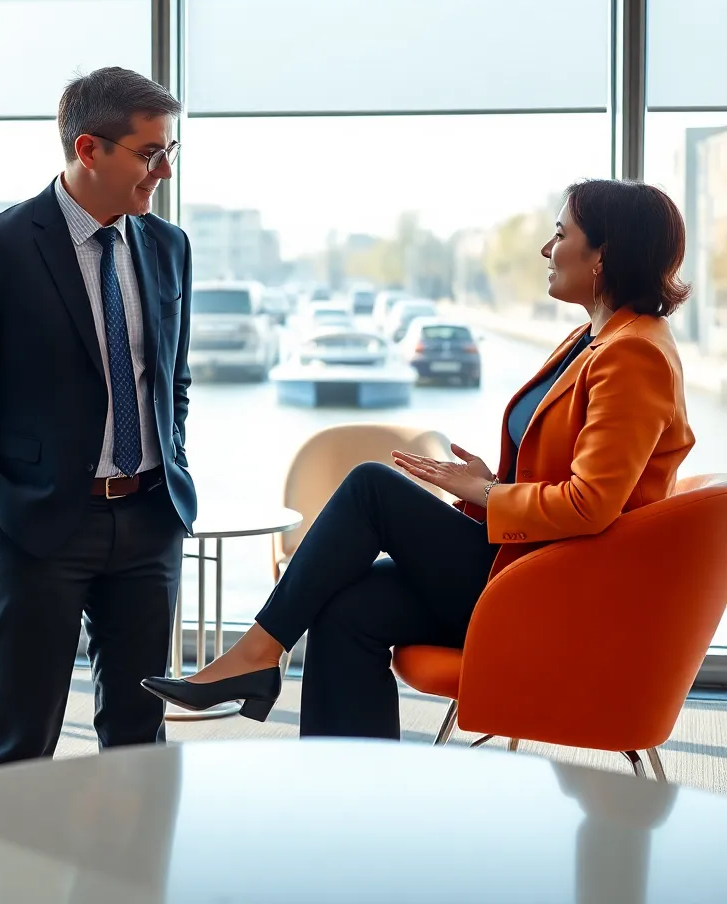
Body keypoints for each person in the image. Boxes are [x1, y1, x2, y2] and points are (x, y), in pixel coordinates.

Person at [143, 178, 695, 737]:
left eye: (560, 234)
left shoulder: (633, 355)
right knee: (346, 608)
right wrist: (491, 481)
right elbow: (573, 474)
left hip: (556, 591)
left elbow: (592, 505)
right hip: (527, 565)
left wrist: (487, 493)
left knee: (371, 487)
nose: (546, 250)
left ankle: (257, 654)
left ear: (604, 254)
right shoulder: (594, 338)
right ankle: (351, 798)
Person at [0, 66, 196, 768]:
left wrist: (174, 467)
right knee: (21, 740)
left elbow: (173, 379)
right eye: (149, 152)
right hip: (38, 529)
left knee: (139, 740)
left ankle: (130, 882)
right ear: (88, 149)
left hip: (149, 522)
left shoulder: (168, 247)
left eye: (169, 152)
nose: (163, 170)